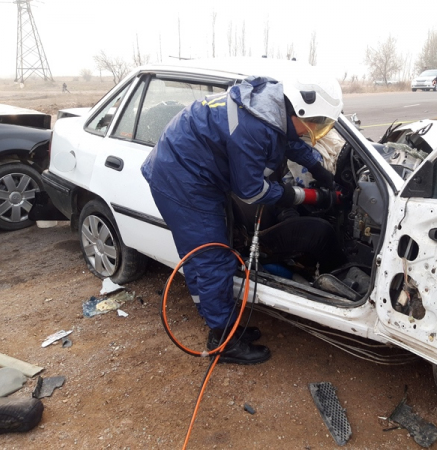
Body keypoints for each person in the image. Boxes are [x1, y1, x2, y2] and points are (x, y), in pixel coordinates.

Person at [141, 73, 343, 364]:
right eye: (314, 122)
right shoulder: (254, 125)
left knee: (210, 257)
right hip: (181, 178)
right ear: (298, 108)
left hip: (197, 171)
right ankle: (222, 340)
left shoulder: (273, 106)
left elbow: (288, 139)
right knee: (211, 258)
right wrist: (302, 196)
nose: (313, 129)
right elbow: (251, 191)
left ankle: (225, 323)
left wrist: (319, 169)